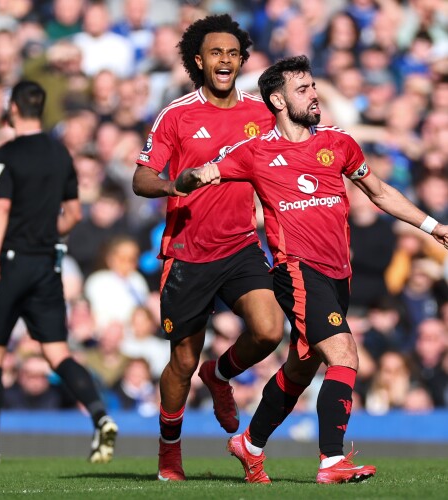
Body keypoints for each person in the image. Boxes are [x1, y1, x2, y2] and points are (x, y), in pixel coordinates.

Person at [176, 55, 448, 484]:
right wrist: (196, 176)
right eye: (303, 89)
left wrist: (434, 227)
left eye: (314, 86)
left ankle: (249, 444)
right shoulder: (255, 151)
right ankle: (331, 460)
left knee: (301, 368)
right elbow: (193, 176)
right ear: (278, 100)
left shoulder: (339, 142)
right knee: (344, 355)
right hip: (297, 271)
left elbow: (379, 192)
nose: (314, 95)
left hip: (339, 275)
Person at [132, 14, 284, 481]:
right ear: (198, 60)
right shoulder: (177, 114)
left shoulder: (262, 114)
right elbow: (141, 179)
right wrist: (173, 184)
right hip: (188, 253)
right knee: (182, 360)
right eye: (216, 52)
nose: (225, 60)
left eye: (233, 53)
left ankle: (218, 375)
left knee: (269, 331)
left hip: (240, 245)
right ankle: (169, 450)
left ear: (241, 61)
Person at [0, 80, 117, 467]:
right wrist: (47, 234)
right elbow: (74, 214)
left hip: (10, 262)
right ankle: (101, 416)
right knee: (57, 352)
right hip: (48, 264)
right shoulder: (61, 154)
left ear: (13, 108)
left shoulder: (3, 155)